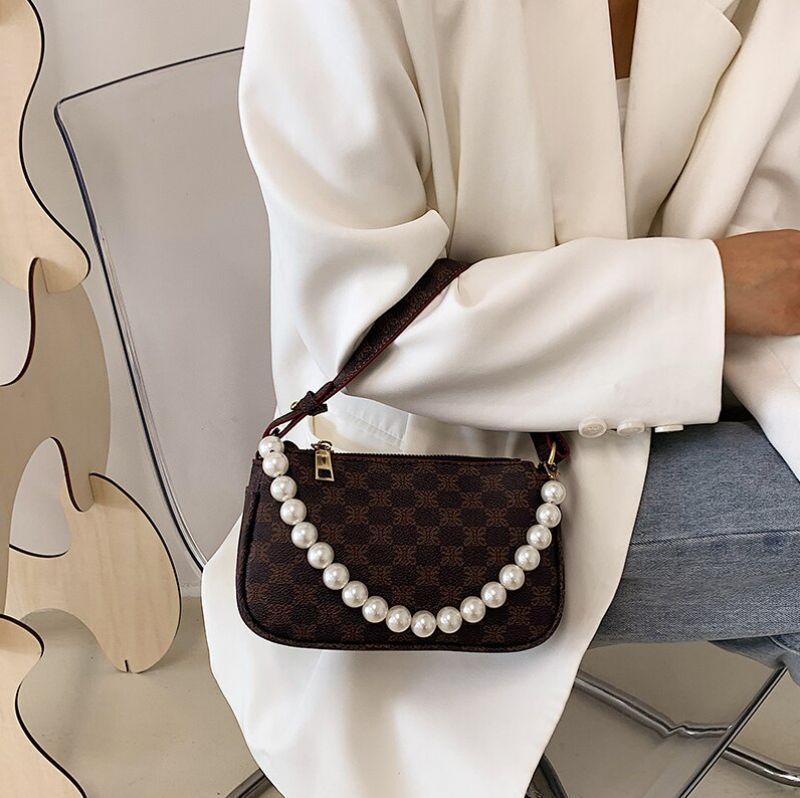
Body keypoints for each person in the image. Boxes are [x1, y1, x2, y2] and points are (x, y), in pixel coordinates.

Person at [201, 1, 800, 796]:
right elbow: (371, 320)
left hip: (682, 400)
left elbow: (774, 252)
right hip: (425, 470)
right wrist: (705, 290)